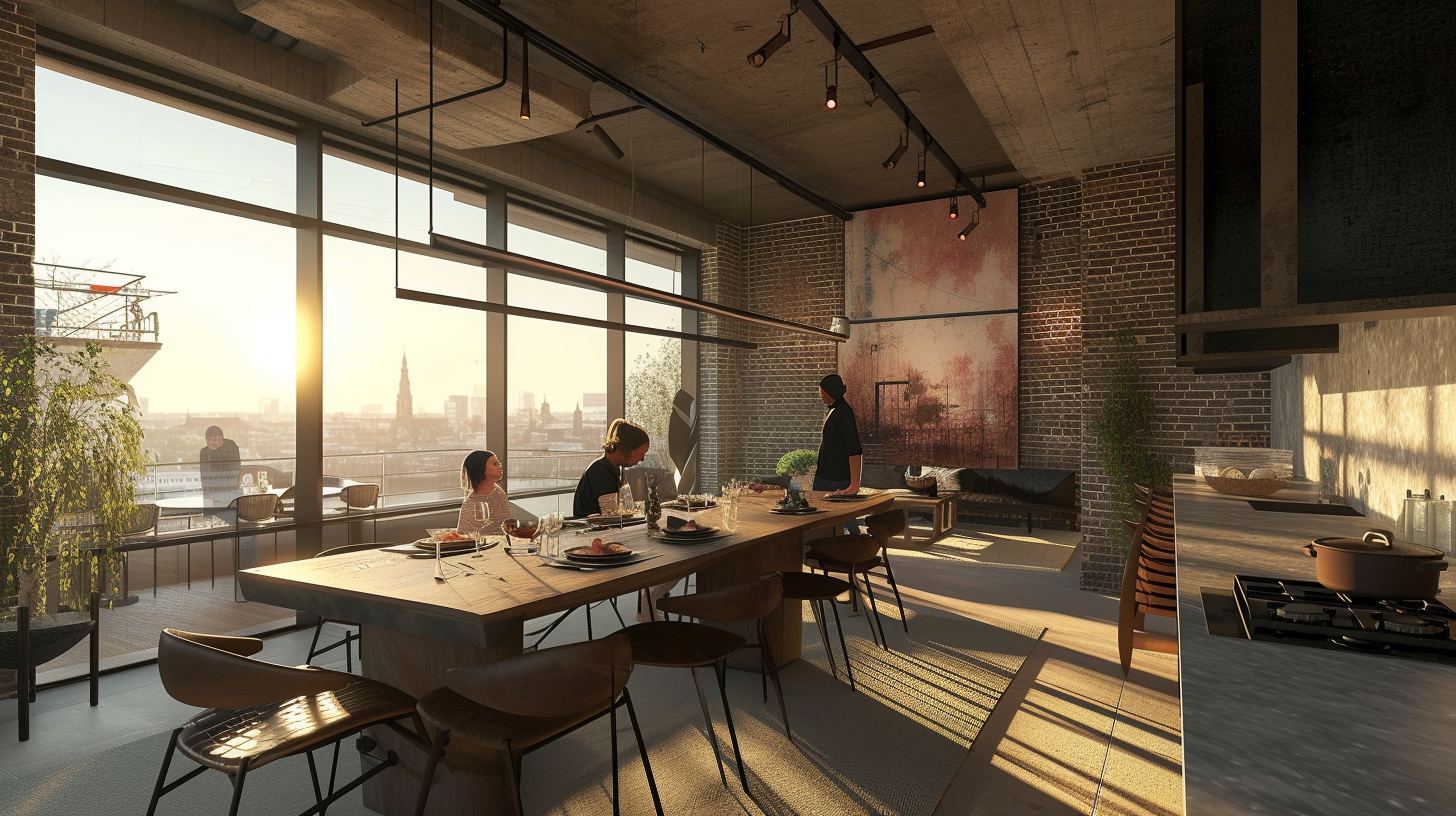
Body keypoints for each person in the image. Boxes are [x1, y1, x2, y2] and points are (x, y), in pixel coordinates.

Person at [572, 418, 650, 518]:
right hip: (593, 531)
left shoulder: (610, 468)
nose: (642, 458)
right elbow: (610, 516)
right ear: (630, 448)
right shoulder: (602, 472)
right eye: (642, 453)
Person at [815, 373, 863, 496]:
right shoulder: (834, 410)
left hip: (837, 480)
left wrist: (854, 486)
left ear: (831, 392)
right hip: (824, 477)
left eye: (822, 392)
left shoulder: (844, 413)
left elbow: (854, 450)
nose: (821, 395)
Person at [456, 450, 510, 537]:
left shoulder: (498, 493)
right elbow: (463, 536)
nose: (500, 466)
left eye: (499, 463)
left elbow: (507, 526)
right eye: (495, 464)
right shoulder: (470, 505)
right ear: (482, 469)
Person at [199, 425, 241, 509]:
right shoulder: (204, 452)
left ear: (222, 441)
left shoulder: (231, 448)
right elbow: (204, 476)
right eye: (210, 440)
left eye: (216, 440)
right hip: (211, 492)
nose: (213, 443)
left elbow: (236, 469)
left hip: (230, 490)